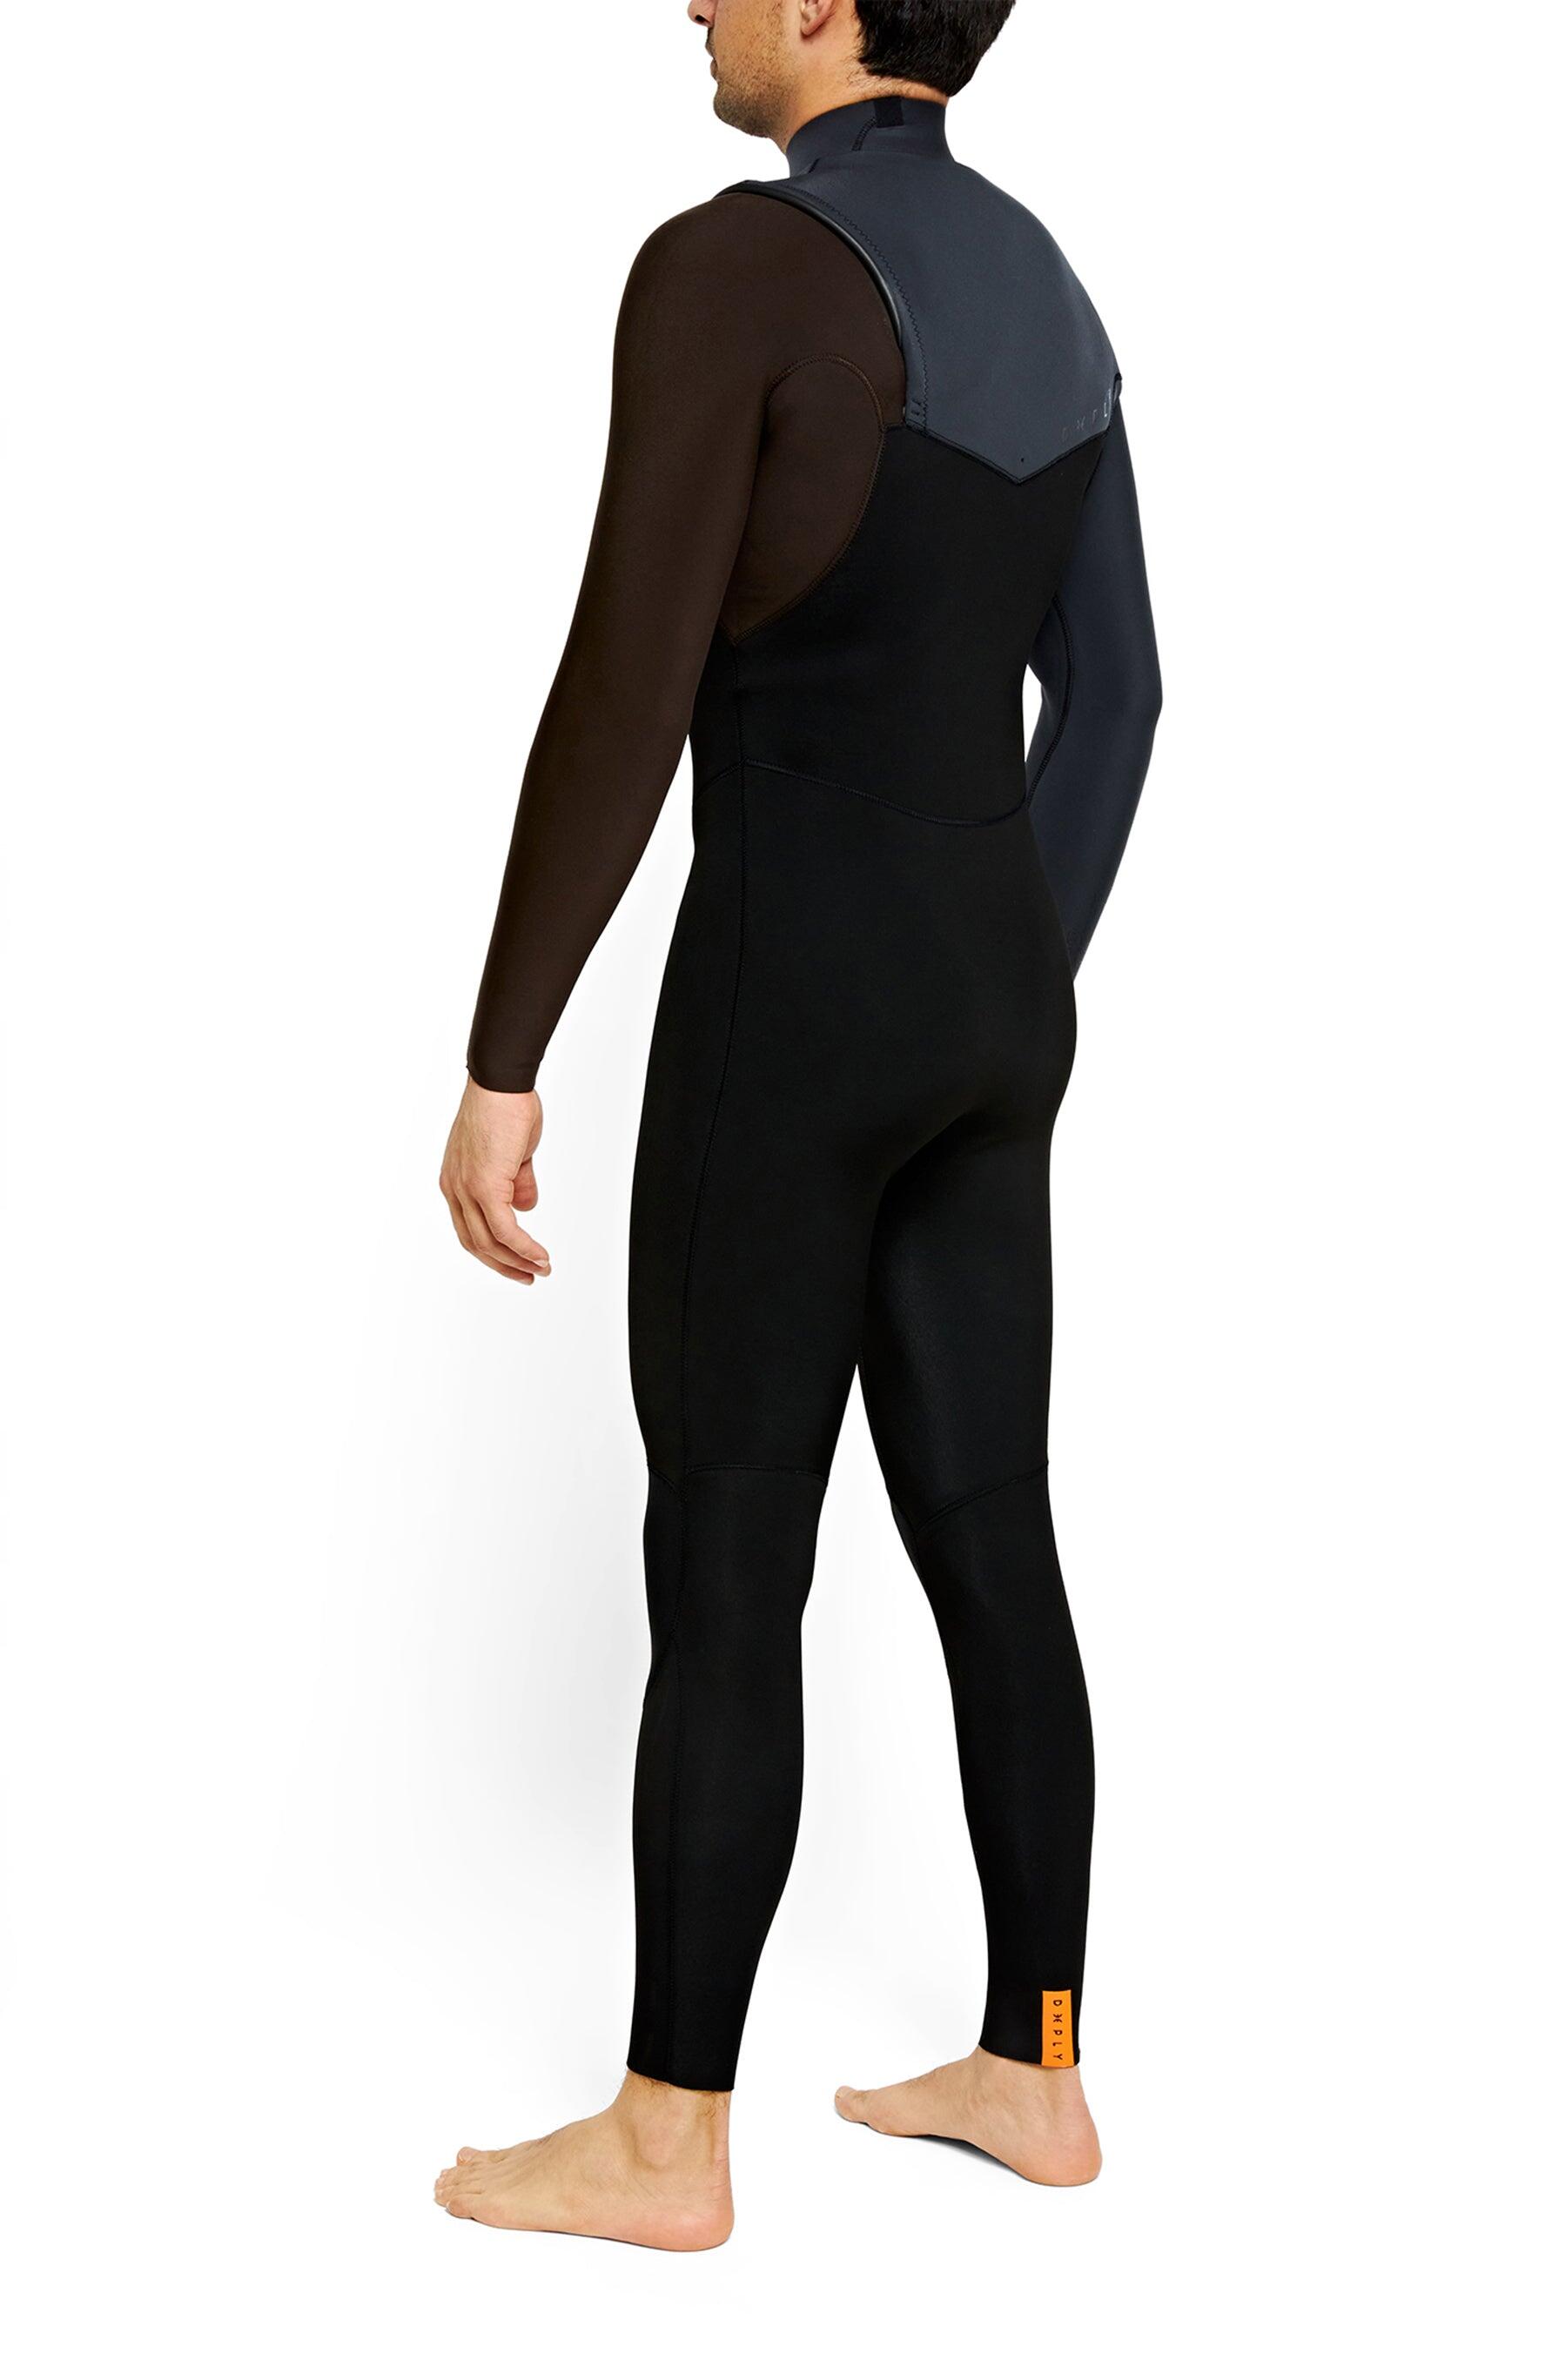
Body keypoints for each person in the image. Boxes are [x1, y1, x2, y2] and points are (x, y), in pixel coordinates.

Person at [435, 0, 1160, 2249]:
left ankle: (666, 2138)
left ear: (832, 2)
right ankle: (1036, 2068)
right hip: (991, 1018)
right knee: (992, 1528)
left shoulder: (732, 267)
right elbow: (1119, 694)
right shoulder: (1045, 281)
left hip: (794, 997)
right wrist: (1002, 967)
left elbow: (629, 672)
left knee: (731, 1549)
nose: (696, 0)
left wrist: (505, 1048)